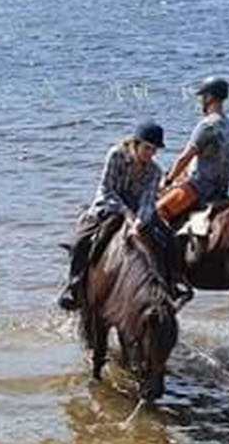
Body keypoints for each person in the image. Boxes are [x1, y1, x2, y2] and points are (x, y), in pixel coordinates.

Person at [57, 121, 165, 311]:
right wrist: (127, 214)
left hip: (138, 214)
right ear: (136, 144)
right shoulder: (116, 155)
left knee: (167, 240)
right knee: (80, 242)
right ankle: (73, 287)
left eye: (154, 150)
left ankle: (171, 286)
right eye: (147, 148)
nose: (151, 154)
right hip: (110, 206)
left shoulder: (155, 171)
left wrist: (139, 221)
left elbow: (148, 201)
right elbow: (107, 190)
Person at [155, 76, 229, 228]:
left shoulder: (207, 125)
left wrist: (167, 181)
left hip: (199, 188)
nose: (201, 101)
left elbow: (185, 157)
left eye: (203, 97)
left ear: (210, 97)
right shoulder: (226, 124)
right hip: (221, 189)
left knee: (156, 212)